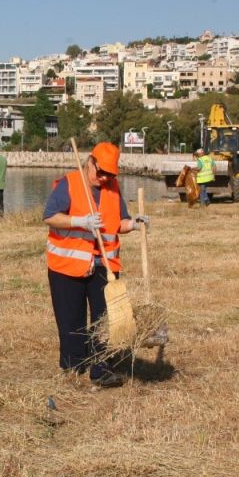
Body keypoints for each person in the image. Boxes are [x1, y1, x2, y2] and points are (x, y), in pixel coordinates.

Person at [43, 142, 150, 388]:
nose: (103, 178)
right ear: (90, 162)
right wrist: (81, 221)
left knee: (104, 320)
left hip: (104, 266)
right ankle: (73, 367)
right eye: (100, 172)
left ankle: (100, 369)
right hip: (67, 266)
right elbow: (50, 216)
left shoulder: (112, 189)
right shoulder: (68, 184)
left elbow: (118, 223)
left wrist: (134, 224)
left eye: (110, 175)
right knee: (71, 320)